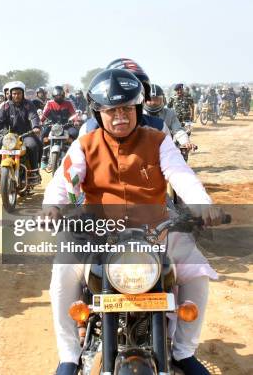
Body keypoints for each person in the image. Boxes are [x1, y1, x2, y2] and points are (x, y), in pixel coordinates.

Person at [43, 68, 224, 375]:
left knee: (196, 271)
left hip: (156, 231)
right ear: (98, 112)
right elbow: (64, 180)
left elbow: (180, 175)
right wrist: (53, 206)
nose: (120, 117)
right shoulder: (84, 145)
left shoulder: (159, 141)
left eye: (126, 108)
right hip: (97, 233)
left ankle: (182, 351)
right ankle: (69, 355)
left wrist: (202, 204)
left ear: (137, 108)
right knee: (62, 273)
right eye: (111, 110)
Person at [0, 81, 42, 188]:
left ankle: (33, 172)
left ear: (22, 93)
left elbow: (33, 116)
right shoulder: (6, 106)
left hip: (26, 134)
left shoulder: (28, 104)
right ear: (10, 94)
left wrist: (35, 126)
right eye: (14, 93)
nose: (16, 96)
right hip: (10, 136)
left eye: (18, 93)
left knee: (33, 145)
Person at [144, 84, 195, 150]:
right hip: (144, 149)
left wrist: (185, 142)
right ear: (144, 100)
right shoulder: (139, 114)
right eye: (150, 100)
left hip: (165, 148)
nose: (153, 103)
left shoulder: (169, 114)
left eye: (157, 100)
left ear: (163, 100)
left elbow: (178, 130)